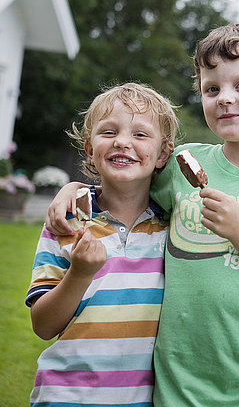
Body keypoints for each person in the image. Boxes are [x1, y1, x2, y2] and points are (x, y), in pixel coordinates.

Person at [46, 22, 239, 406]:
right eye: (212, 88)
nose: (224, 98)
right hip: (178, 391)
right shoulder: (183, 164)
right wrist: (72, 190)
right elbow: (121, 178)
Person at [26, 82, 178, 407]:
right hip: (66, 396)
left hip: (145, 399)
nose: (123, 142)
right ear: (90, 147)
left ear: (164, 153)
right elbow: (43, 325)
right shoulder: (64, 221)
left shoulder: (175, 224)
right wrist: (80, 274)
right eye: (109, 132)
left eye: (140, 135)